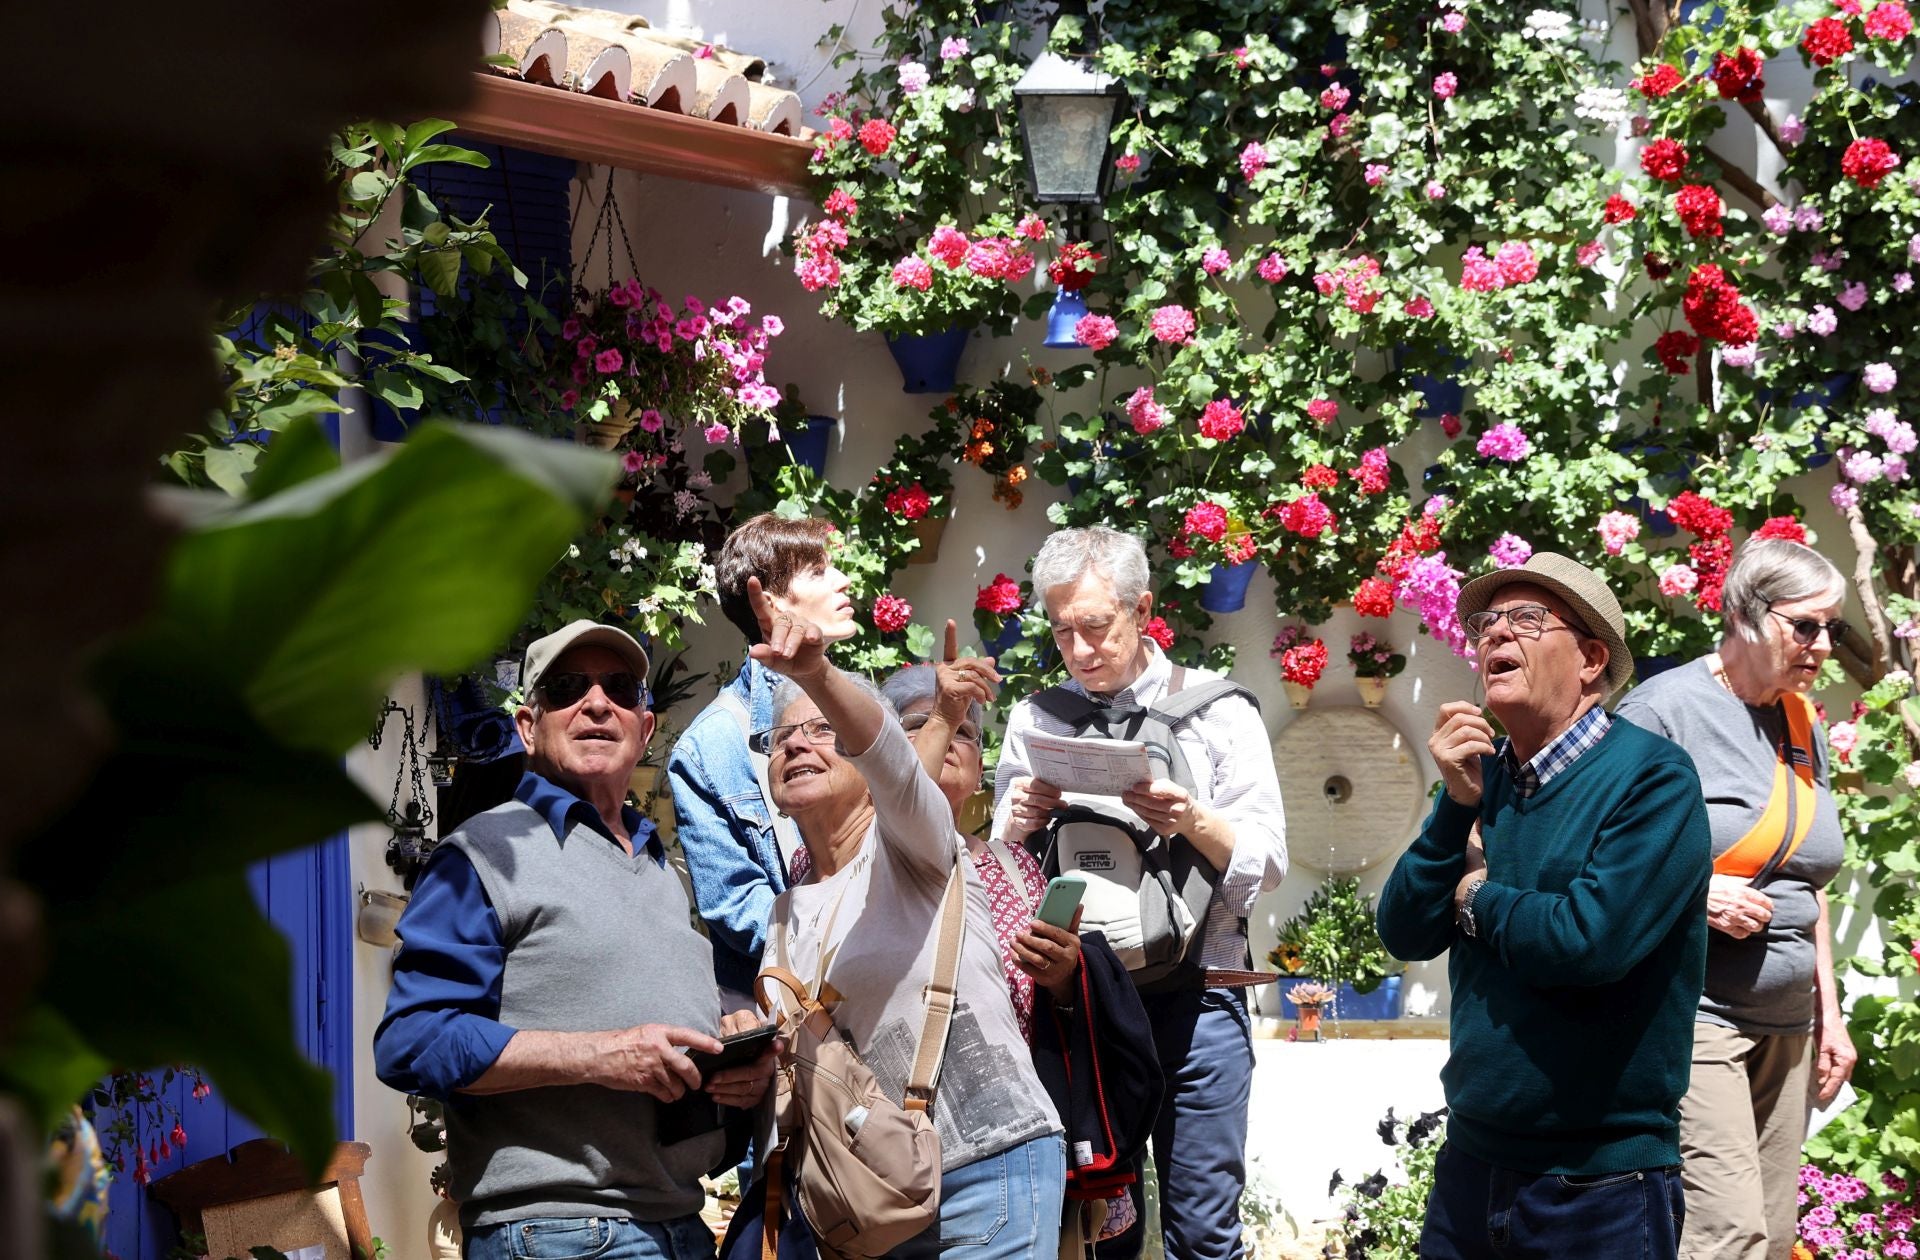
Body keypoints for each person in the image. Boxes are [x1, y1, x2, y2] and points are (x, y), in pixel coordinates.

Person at [375, 620, 778, 1260]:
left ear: (645, 729)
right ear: (528, 727)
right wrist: (600, 1056)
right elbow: (414, 1040)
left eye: (620, 688)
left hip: (679, 1225)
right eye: (567, 688)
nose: (596, 703)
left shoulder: (659, 869)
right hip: (558, 1232)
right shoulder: (484, 853)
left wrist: (735, 1058)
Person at [1376, 553, 1713, 1260]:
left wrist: (1475, 893)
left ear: (1591, 659)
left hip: (1602, 1186)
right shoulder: (1484, 781)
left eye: (1527, 618)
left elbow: (1586, 943)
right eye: (1486, 622)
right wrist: (1453, 809)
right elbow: (1404, 930)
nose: (1495, 634)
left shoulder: (1654, 779)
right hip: (1471, 1165)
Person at [992, 526, 1288, 1260]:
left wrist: (1192, 817)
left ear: (1142, 609)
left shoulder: (1219, 711)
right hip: (1081, 1007)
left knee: (1204, 1235)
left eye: (1096, 627)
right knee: (1097, 1233)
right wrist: (1016, 820)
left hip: (1200, 1000)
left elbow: (1269, 861)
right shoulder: (1037, 717)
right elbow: (1003, 869)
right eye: (1063, 632)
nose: (1081, 650)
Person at [751, 584, 1065, 1259]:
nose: (797, 746)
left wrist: (816, 673)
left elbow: (897, 764)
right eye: (780, 738)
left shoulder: (913, 843)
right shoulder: (783, 915)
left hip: (988, 1165)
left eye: (820, 730)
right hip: (874, 1199)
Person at [1613, 538, 1857, 1260]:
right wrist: (1697, 890)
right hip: (1696, 1015)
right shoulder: (1663, 712)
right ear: (1747, 615)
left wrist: (1829, 1016)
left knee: (1775, 1239)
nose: (1821, 645)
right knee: (1727, 1236)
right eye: (1805, 626)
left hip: (1788, 1025)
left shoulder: (1803, 723)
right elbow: (1591, 855)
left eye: (1832, 629)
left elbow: (1804, 883)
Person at [671, 514, 859, 1010]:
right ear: (771, 603)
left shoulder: (860, 705)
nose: (844, 581)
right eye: (820, 571)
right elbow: (735, 906)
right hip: (796, 1012)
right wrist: (847, 945)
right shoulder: (712, 744)